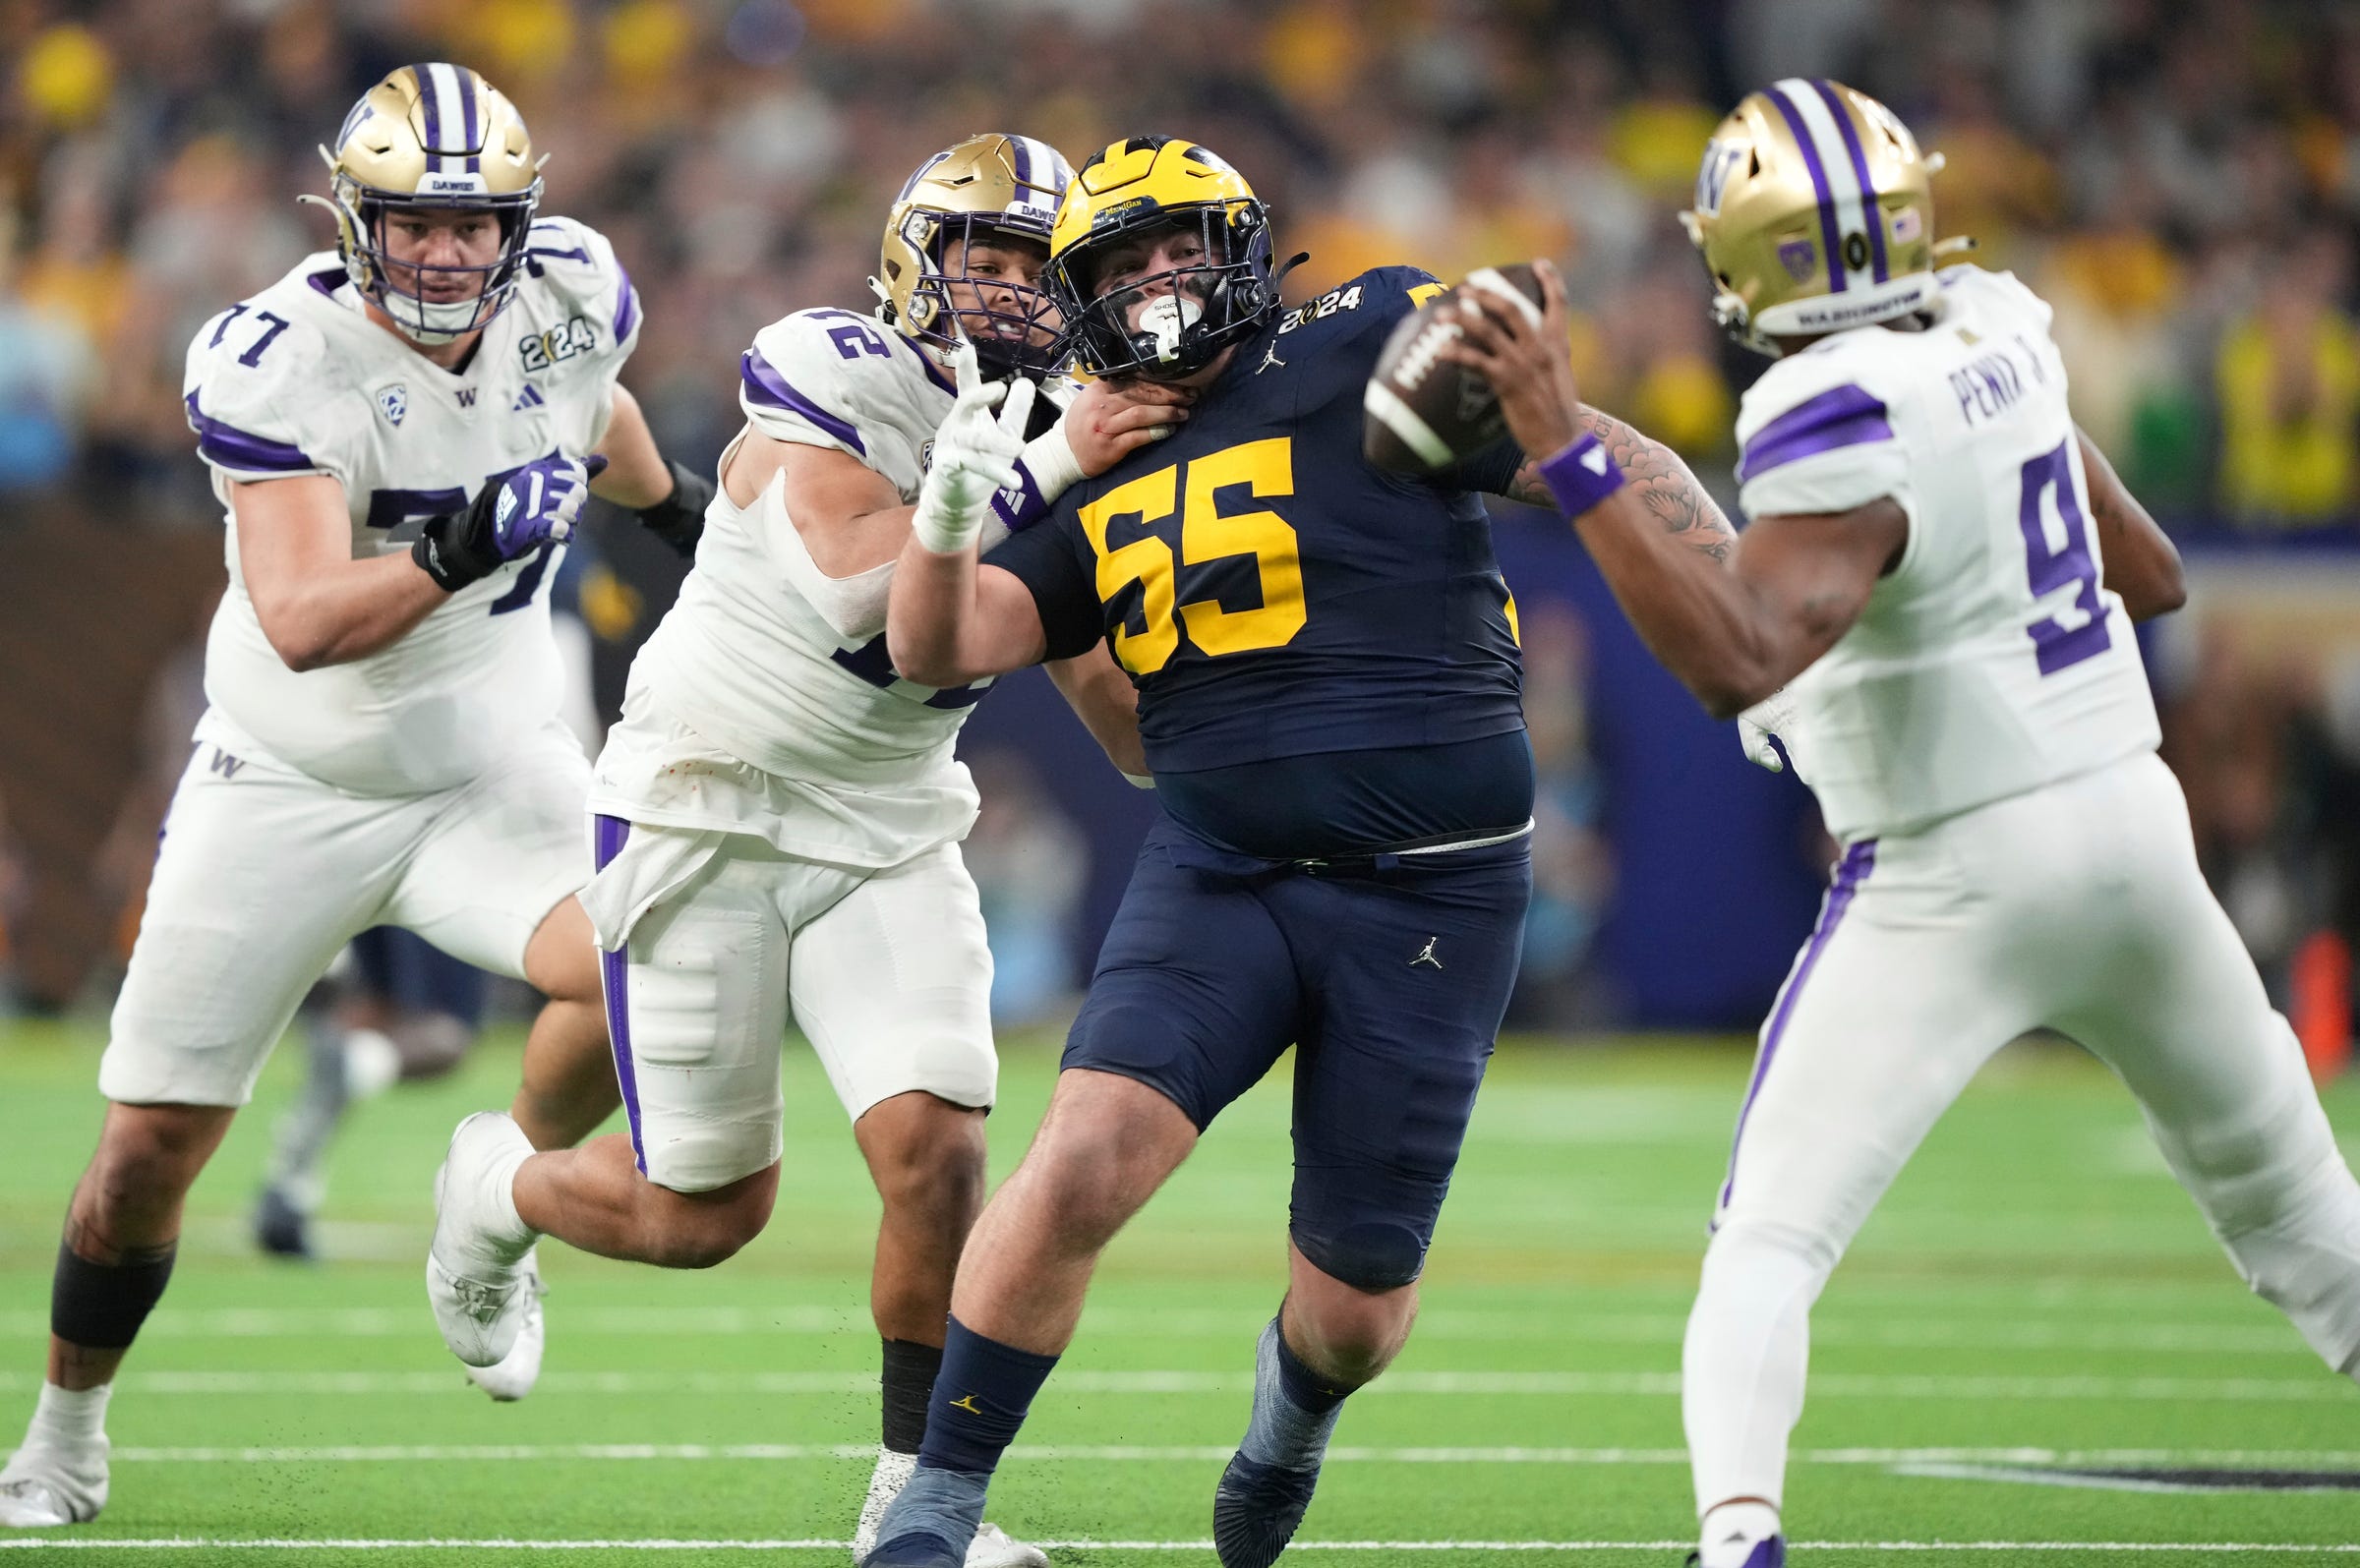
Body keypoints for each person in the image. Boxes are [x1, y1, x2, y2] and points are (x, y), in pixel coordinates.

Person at [1445, 79, 2360, 1568]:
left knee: (1771, 1240)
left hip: (1957, 866)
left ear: (1752, 256)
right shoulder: (2000, 319)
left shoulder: (1825, 401)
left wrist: (1563, 440)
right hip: (2133, 822)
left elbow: (1742, 653)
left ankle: (1737, 1532)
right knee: (2300, 1211)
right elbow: (2156, 573)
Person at [859, 136, 1735, 1568]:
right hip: (1223, 871)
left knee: (1352, 1313)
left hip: (1432, 889)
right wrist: (969, 504)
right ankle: (936, 1506)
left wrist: (1731, 585)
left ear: (1250, 248)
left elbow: (1605, 447)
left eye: (1179, 244)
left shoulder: (1373, 335)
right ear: (1083, 302)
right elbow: (932, 643)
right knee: (1080, 1155)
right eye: (1121, 264)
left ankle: (1292, 1414)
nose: (1156, 281)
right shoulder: (1090, 443)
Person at [422, 133, 1168, 1568]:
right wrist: (1063, 456)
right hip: (710, 798)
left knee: (940, 1149)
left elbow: (1105, 698)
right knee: (703, 1214)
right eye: (987, 257)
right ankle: (495, 1182)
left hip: (889, 819)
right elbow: (853, 591)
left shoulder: (1079, 424)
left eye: (1036, 266)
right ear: (913, 259)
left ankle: (917, 1496)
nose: (1011, 293)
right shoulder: (832, 364)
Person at [0, 62, 710, 1530]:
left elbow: (604, 415)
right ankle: (64, 1433)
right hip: (290, 776)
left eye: (473, 222)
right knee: (145, 1155)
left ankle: (492, 1202)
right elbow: (306, 612)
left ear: (519, 222)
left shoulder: (573, 289)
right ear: (352, 218)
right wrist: (457, 548)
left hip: (490, 763)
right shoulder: (279, 355)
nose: (446, 250)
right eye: (412, 221)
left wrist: (692, 521)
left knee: (637, 947)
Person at [253, 927, 491, 1260]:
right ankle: (353, 1062)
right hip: (444, 878)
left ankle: (290, 1187)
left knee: (374, 1009)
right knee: (447, 1036)